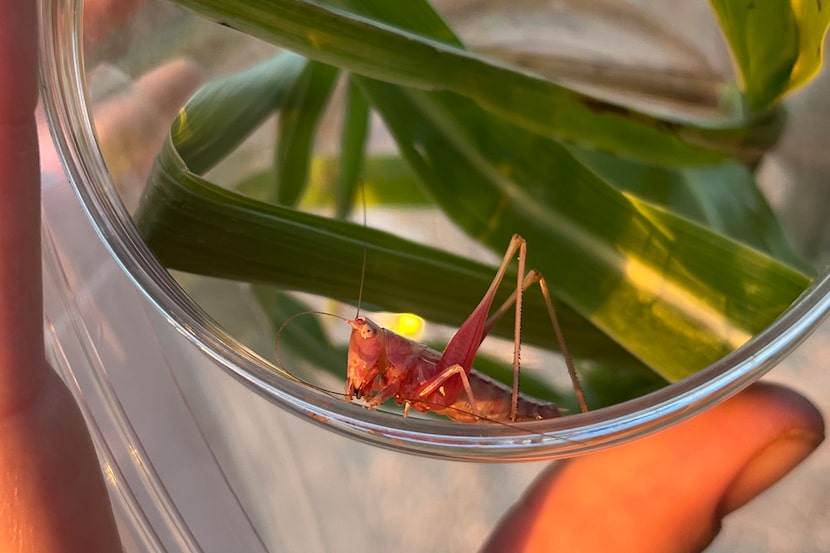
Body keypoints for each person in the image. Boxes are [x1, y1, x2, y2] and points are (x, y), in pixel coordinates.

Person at [0, 2, 823, 552]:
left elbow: (438, 380)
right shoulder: (385, 371)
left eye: (366, 349)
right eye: (367, 348)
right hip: (449, 398)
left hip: (485, 393)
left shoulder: (412, 371)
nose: (365, 356)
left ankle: (571, 393)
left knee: (517, 274)